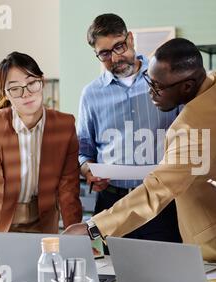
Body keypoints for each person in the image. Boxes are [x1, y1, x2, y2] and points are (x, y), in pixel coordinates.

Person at [65, 38, 216, 272]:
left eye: (157, 86)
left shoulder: (191, 128)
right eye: (149, 80)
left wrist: (93, 228)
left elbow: (157, 190)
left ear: (187, 86)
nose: (150, 92)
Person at [0, 52, 82, 262]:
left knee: (40, 278)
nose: (26, 94)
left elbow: (68, 189)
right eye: (15, 88)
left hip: (41, 219)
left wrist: (77, 243)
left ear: (42, 82)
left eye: (32, 83)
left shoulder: (64, 125)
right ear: (5, 93)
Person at [77, 13, 181, 244]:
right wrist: (88, 171)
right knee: (115, 275)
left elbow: (186, 137)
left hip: (161, 203)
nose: (115, 57)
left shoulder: (165, 81)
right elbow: (83, 148)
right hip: (111, 204)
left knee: (166, 273)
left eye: (119, 46)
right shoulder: (90, 94)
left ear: (131, 39)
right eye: (104, 53)